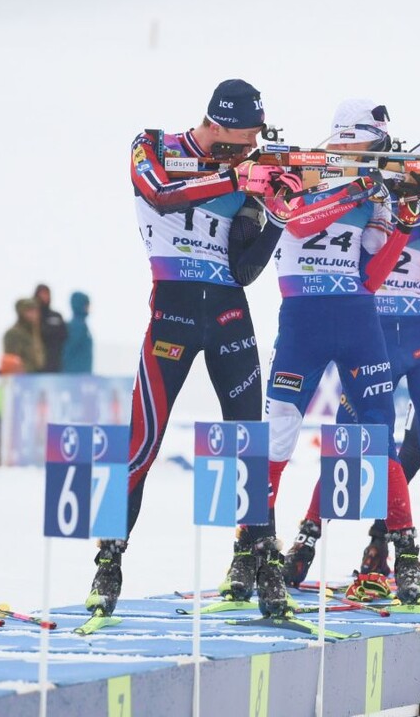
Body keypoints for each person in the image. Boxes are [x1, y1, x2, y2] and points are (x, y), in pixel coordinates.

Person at [85, 78, 294, 622]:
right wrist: (233, 176)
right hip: (172, 316)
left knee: (250, 441)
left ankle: (261, 563)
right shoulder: (152, 145)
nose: (251, 148)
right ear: (219, 124)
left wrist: (275, 210)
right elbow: (158, 192)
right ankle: (108, 560)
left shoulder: (250, 167)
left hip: (228, 314)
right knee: (141, 439)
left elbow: (245, 269)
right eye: (244, 138)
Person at [288, 131, 420, 596]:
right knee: (353, 442)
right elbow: (358, 264)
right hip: (373, 333)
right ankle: (307, 540)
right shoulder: (379, 196)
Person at [264, 99, 420, 605]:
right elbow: (297, 223)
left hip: (356, 317)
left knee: (378, 434)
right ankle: (253, 550)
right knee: (277, 436)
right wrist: (359, 187)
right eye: (373, 146)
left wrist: (399, 216)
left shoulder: (372, 187)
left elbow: (371, 271)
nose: (379, 155)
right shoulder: (301, 168)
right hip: (303, 319)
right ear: (351, 139)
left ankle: (407, 555)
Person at [3, 299, 45, 373]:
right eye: (30, 311)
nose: (34, 314)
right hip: (21, 379)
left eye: (36, 311)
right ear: (21, 313)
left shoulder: (34, 332)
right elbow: (11, 361)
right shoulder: (13, 333)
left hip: (36, 376)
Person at [32, 285, 67, 373]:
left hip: (55, 364)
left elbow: (64, 336)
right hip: (36, 367)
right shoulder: (32, 318)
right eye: (42, 294)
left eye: (47, 294)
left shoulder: (56, 316)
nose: (45, 297)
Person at [63, 292, 94, 374]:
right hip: (75, 375)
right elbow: (68, 351)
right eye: (86, 304)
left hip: (82, 374)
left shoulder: (82, 325)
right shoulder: (77, 326)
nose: (88, 307)